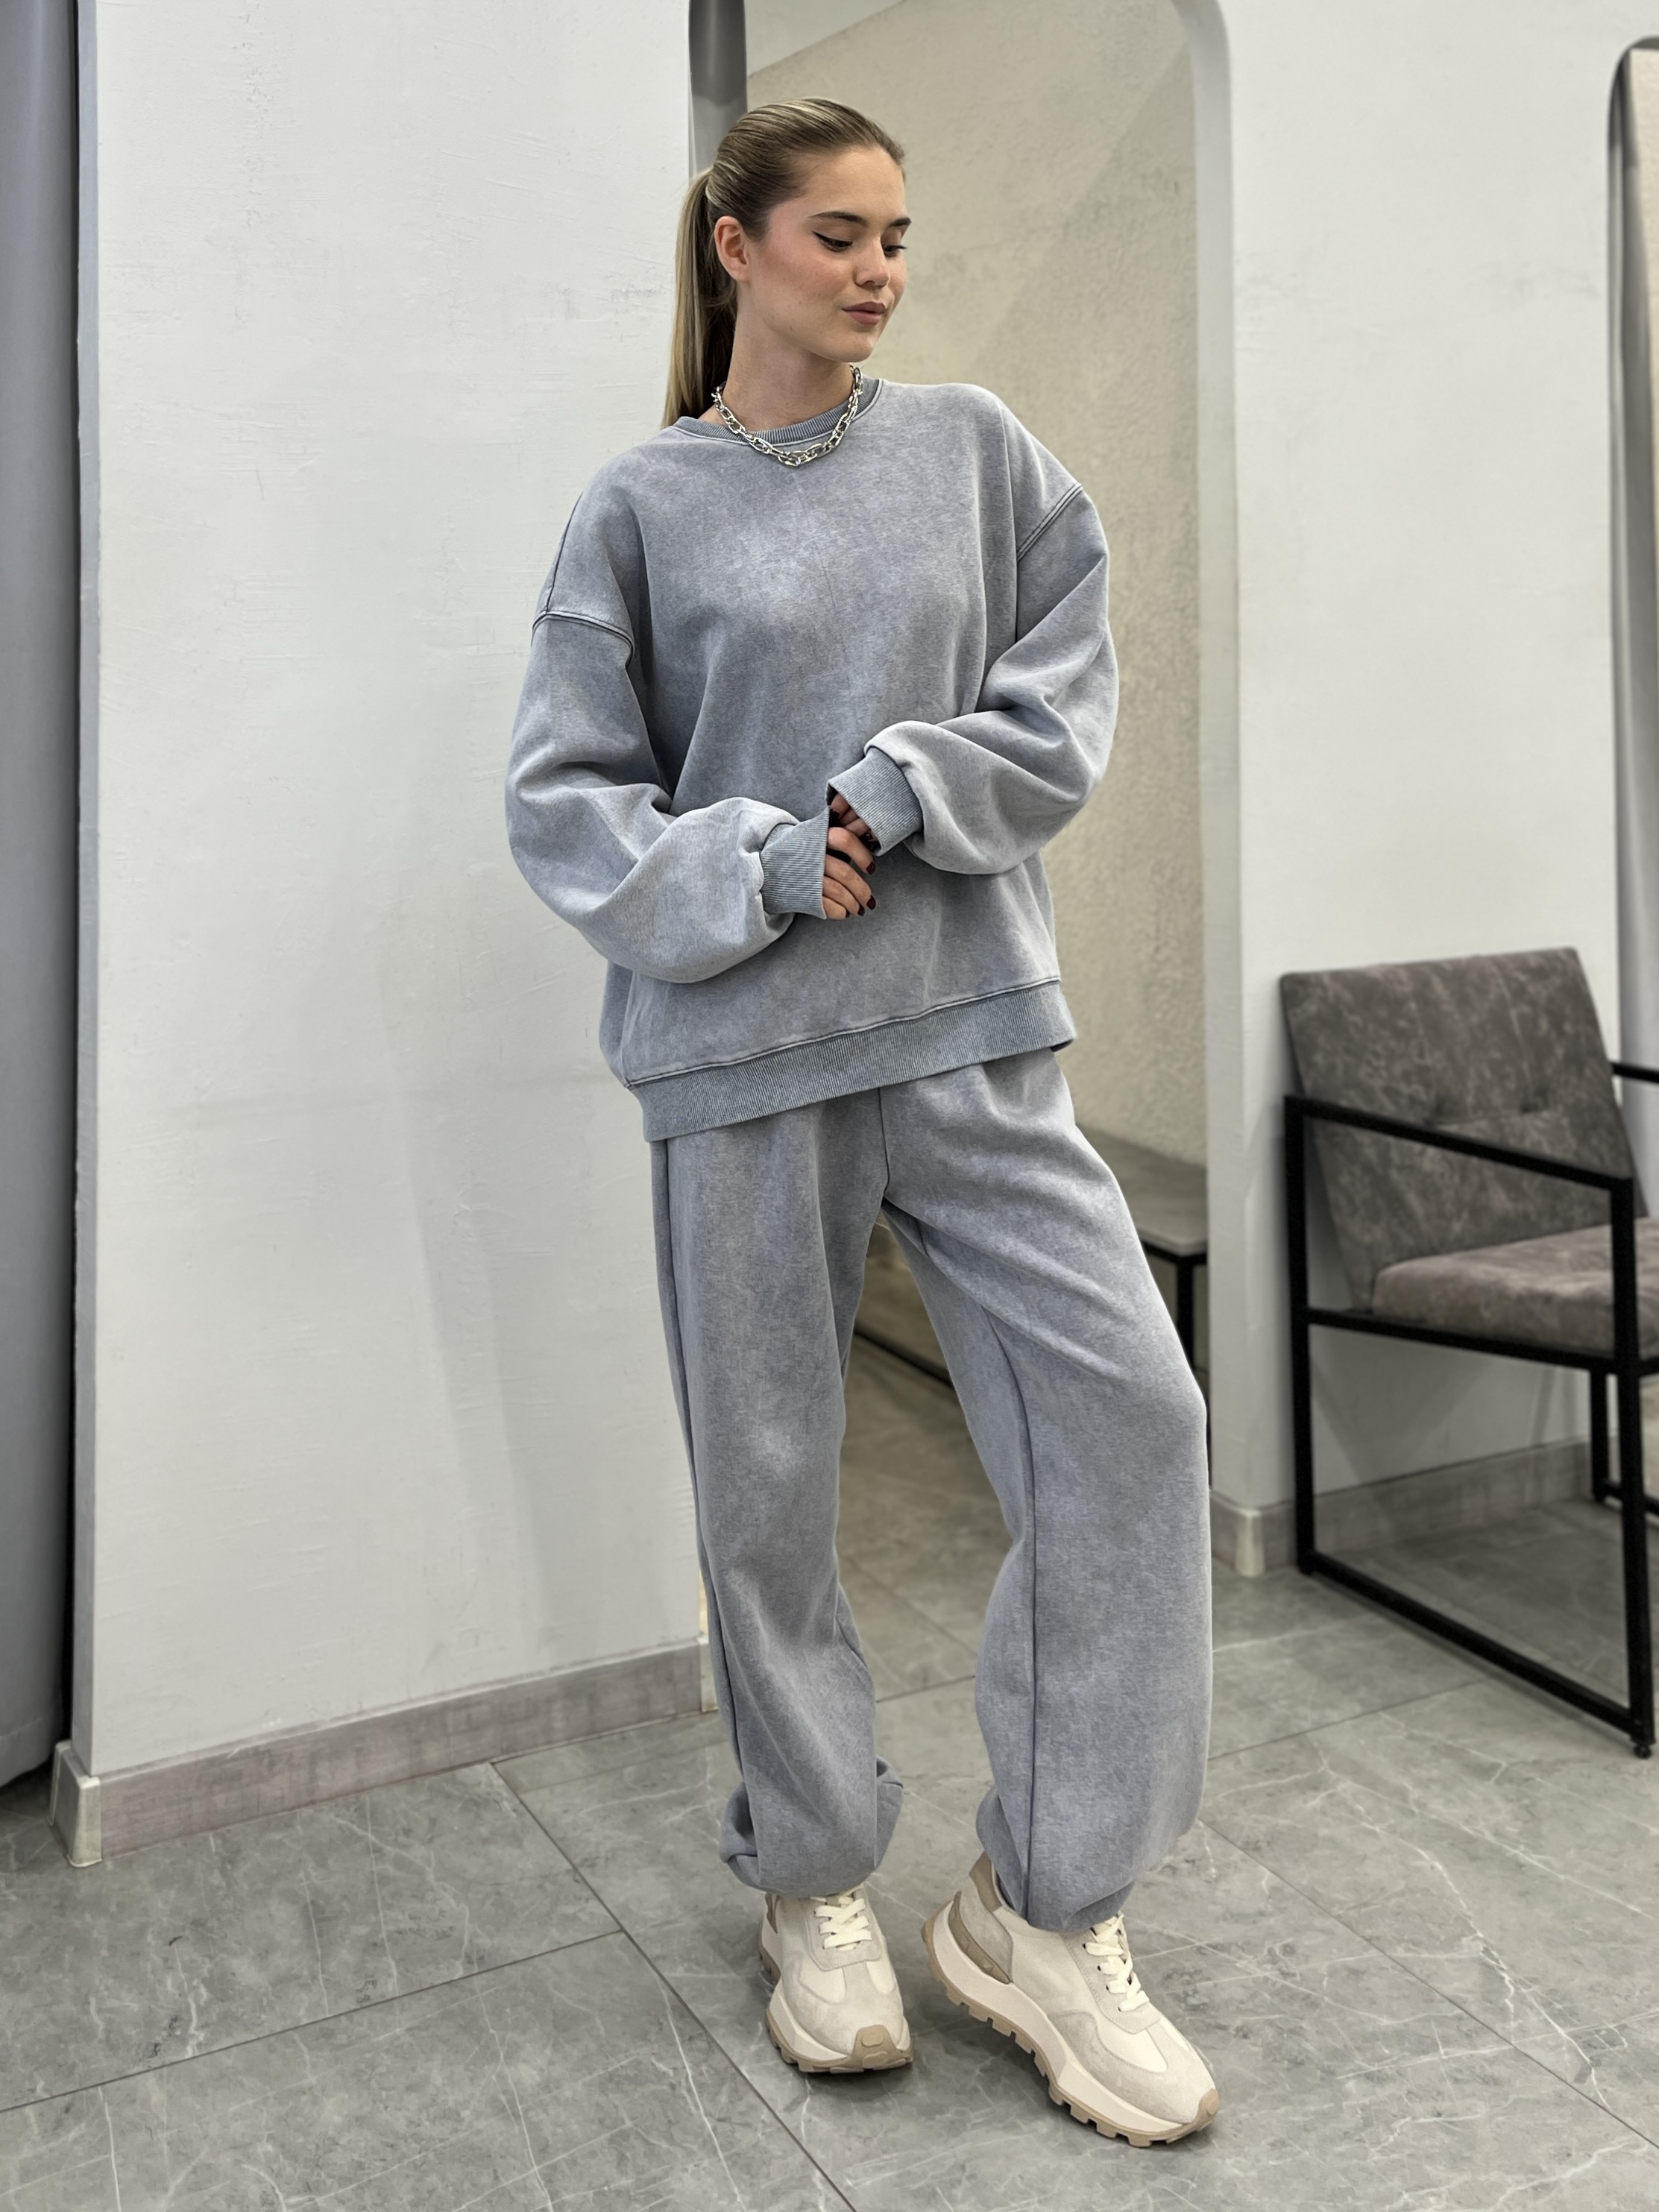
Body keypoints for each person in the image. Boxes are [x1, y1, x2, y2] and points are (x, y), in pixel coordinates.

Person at [506, 97, 1217, 2146]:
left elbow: (1062, 693)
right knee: (769, 1497)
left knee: (1131, 1425)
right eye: (839, 233)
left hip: (970, 1030)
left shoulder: (978, 455)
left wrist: (898, 792)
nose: (881, 269)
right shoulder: (638, 508)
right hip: (738, 1065)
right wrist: (751, 862)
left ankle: (1042, 1910)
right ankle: (811, 1877)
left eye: (898, 234)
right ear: (736, 246)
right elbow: (564, 800)